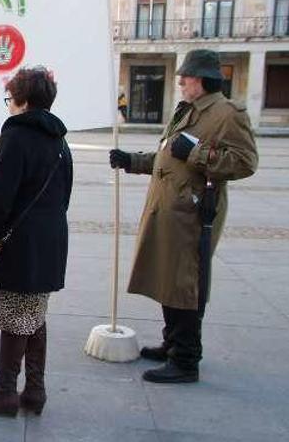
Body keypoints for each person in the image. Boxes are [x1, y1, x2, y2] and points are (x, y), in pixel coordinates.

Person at [109, 49, 258, 384]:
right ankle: (171, 343)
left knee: (185, 283)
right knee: (167, 278)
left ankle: (186, 359)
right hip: (168, 210)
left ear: (202, 80)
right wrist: (131, 160)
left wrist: (195, 152)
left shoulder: (226, 113)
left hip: (193, 214)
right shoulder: (187, 111)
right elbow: (167, 158)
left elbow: (245, 162)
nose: (180, 83)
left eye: (185, 78)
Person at [0, 67, 72, 417]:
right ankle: (34, 390)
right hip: (50, 241)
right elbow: (64, 195)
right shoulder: (59, 139)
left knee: (15, 316)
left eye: (9, 99)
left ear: (23, 101)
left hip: (20, 244)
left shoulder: (16, 135)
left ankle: (5, 394)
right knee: (35, 315)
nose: (8, 106)